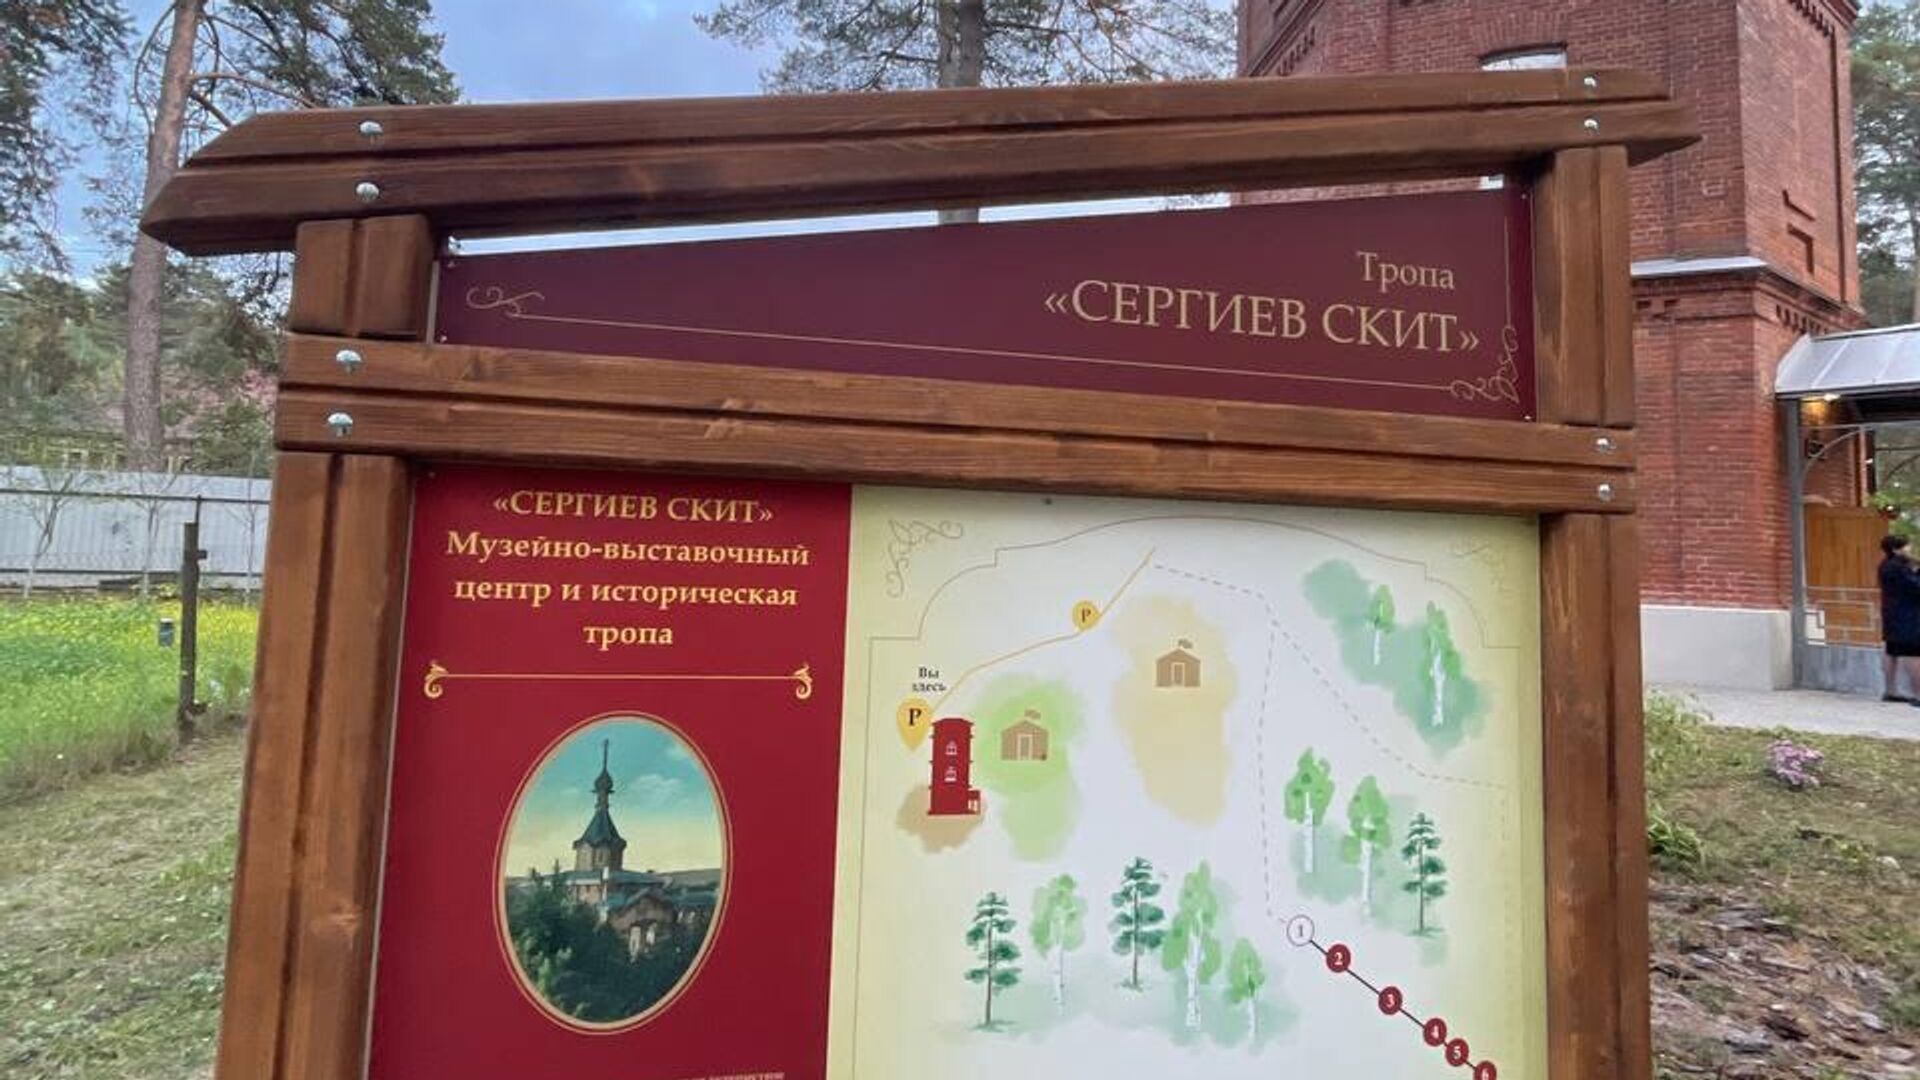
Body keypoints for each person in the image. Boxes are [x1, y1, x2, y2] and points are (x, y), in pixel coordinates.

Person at [1878, 534, 1920, 703]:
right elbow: (1915, 587)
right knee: (1913, 654)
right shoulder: (1899, 568)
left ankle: (1890, 691)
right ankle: (1918, 694)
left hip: (1892, 615)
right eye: (1906, 546)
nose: (1909, 549)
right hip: (1907, 617)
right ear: (1896, 549)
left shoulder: (1885, 565)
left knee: (1892, 651)